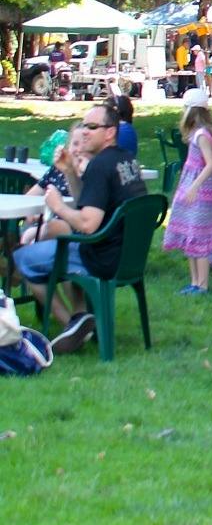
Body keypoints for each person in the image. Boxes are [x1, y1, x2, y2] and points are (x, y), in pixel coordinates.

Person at [12, 100, 147, 352]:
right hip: (127, 256)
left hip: (100, 257)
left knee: (22, 257)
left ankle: (73, 323)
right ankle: (80, 320)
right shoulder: (126, 161)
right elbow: (88, 204)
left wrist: (58, 206)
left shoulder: (99, 166)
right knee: (57, 244)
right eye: (84, 125)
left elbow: (87, 224)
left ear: (110, 132)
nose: (84, 131)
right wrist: (70, 173)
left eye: (92, 127)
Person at [163, 87, 212, 295]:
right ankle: (194, 282)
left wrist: (194, 185)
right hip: (195, 187)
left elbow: (210, 164)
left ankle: (202, 284)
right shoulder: (205, 133)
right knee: (191, 234)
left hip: (201, 191)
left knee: (199, 237)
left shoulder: (200, 135)